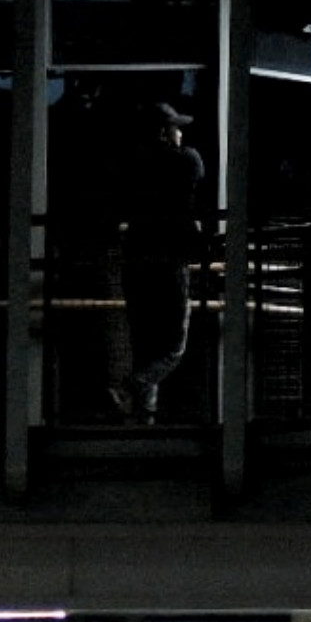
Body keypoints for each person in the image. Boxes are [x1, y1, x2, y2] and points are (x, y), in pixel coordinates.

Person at [108, 99, 206, 422]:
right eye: (175, 127)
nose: (180, 133)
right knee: (173, 347)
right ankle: (130, 387)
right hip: (169, 262)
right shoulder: (186, 161)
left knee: (144, 343)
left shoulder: (131, 164)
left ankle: (143, 415)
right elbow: (194, 171)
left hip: (136, 263)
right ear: (165, 133)